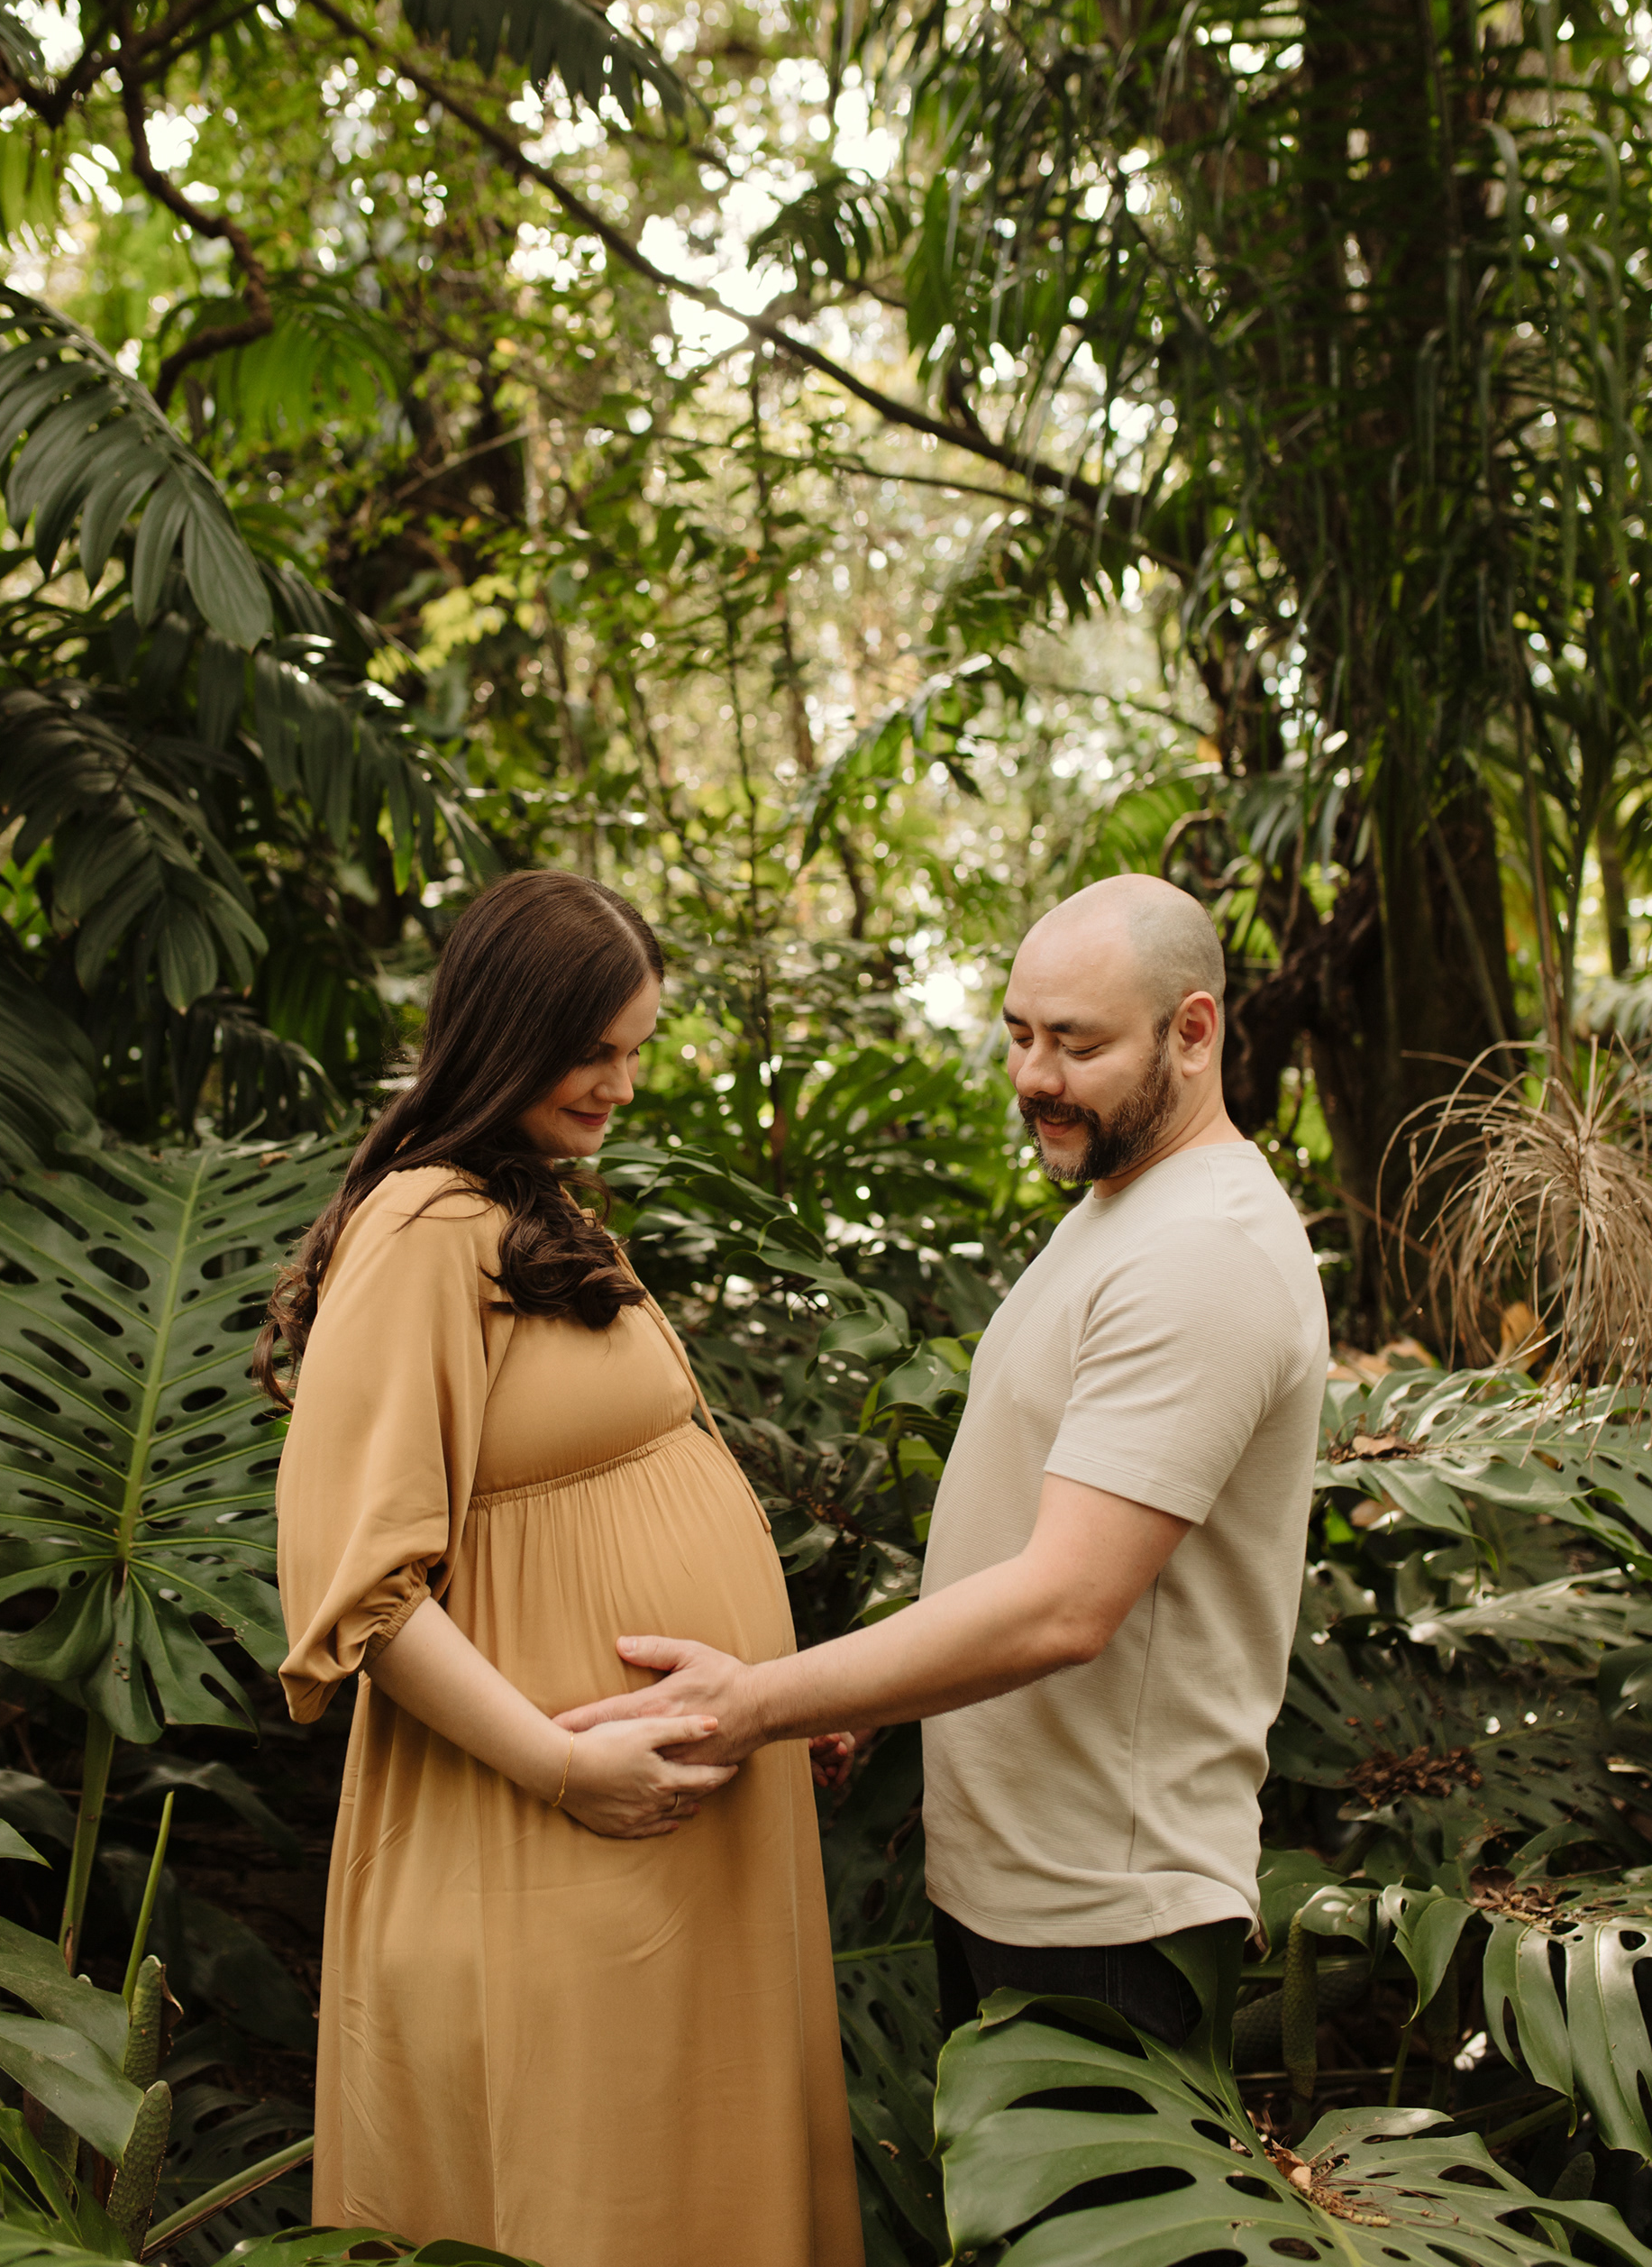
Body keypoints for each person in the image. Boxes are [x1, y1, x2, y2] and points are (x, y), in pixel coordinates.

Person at [557, 873, 1328, 2043]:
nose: (1034, 1077)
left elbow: (1066, 1602)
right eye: (1019, 1035)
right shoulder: (1127, 1207)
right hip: (1022, 1886)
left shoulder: (1202, 1254)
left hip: (1106, 1912)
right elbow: (1025, 1524)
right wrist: (867, 1694)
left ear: (1193, 1031)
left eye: (1077, 1044)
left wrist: (756, 1704)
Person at [260, 870, 863, 2267]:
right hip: (553, 1827)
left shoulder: (527, 1206)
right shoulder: (421, 1228)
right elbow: (362, 1587)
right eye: (594, 1050)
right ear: (509, 1030)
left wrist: (777, 1696)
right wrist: (560, 1766)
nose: (621, 1085)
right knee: (594, 2196)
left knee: (695, 2177)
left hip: (672, 1819)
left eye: (636, 1050)